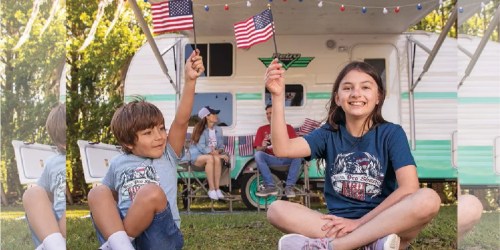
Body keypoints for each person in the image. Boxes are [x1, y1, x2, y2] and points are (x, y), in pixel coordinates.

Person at [264, 59, 441, 250]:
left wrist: (359, 224)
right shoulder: (328, 134)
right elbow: (283, 149)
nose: (356, 93)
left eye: (365, 87)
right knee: (276, 209)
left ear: (378, 96)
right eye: (348, 88)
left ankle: (337, 246)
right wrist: (278, 96)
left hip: (386, 222)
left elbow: (409, 187)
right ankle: (371, 245)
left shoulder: (391, 133)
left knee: (428, 198)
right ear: (338, 98)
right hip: (337, 225)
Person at [87, 50, 204, 250]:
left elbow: (182, 120)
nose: (159, 136)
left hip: (159, 236)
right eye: (148, 133)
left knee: (151, 193)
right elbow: (111, 198)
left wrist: (190, 81)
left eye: (161, 128)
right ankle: (120, 243)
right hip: (121, 232)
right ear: (128, 143)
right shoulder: (118, 163)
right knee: (97, 192)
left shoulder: (168, 153)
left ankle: (120, 244)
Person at [23, 103, 67, 250]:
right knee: (32, 193)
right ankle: (55, 244)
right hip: (52, 229)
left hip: (65, 224)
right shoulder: (53, 162)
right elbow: (45, 194)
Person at [254, 104, 302, 198]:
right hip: (271, 159)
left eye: (271, 113)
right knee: (258, 154)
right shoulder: (262, 129)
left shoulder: (288, 128)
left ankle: (289, 187)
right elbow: (258, 149)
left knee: (298, 156)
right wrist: (263, 146)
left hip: (286, 158)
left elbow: (294, 146)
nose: (268, 115)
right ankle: (270, 186)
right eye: (267, 113)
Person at [189, 106, 229, 200]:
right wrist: (217, 154)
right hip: (197, 157)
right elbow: (201, 147)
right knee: (211, 158)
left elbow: (221, 146)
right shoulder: (200, 128)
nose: (216, 115)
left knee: (216, 159)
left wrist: (219, 152)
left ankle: (216, 189)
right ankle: (211, 189)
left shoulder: (219, 130)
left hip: (212, 158)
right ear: (207, 116)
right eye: (213, 114)